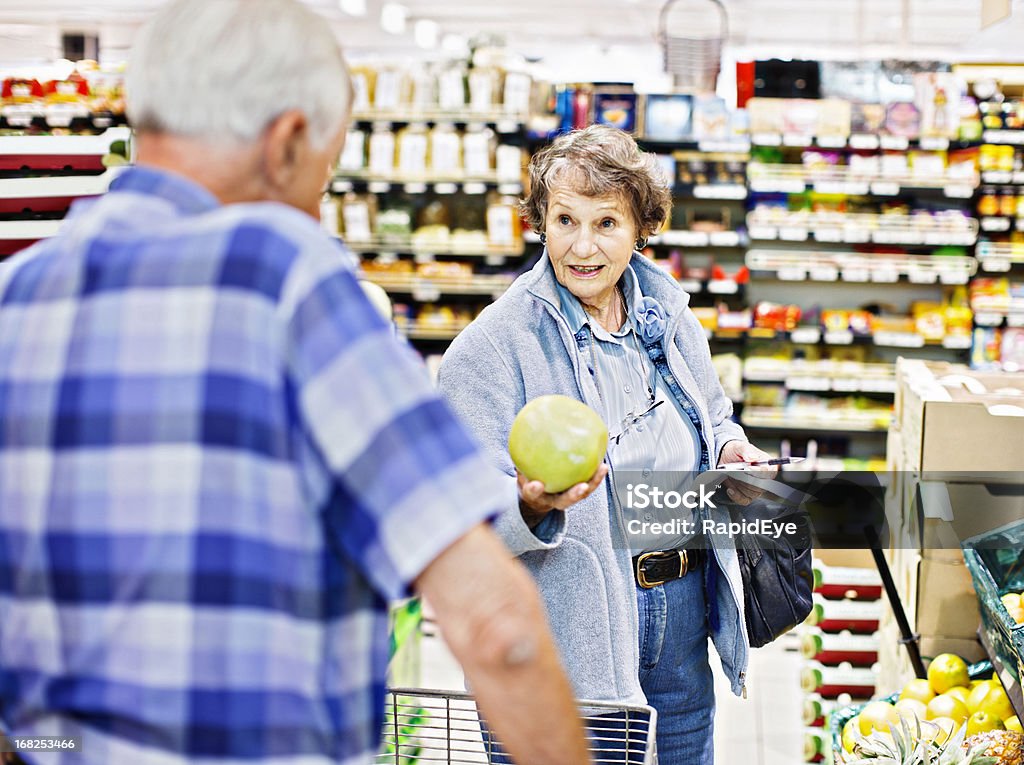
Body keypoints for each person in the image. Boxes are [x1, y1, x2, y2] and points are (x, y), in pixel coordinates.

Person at [0, 2, 593, 763]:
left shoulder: (18, 298)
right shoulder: (285, 280)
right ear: (285, 142)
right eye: (324, 169)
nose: (319, 205)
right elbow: (495, 624)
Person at [439, 124, 773, 764]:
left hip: (680, 610)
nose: (582, 246)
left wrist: (730, 451)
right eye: (564, 220)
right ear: (540, 223)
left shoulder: (668, 316)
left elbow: (713, 416)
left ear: (639, 229)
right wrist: (530, 506)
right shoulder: (493, 348)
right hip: (570, 628)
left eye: (606, 223)